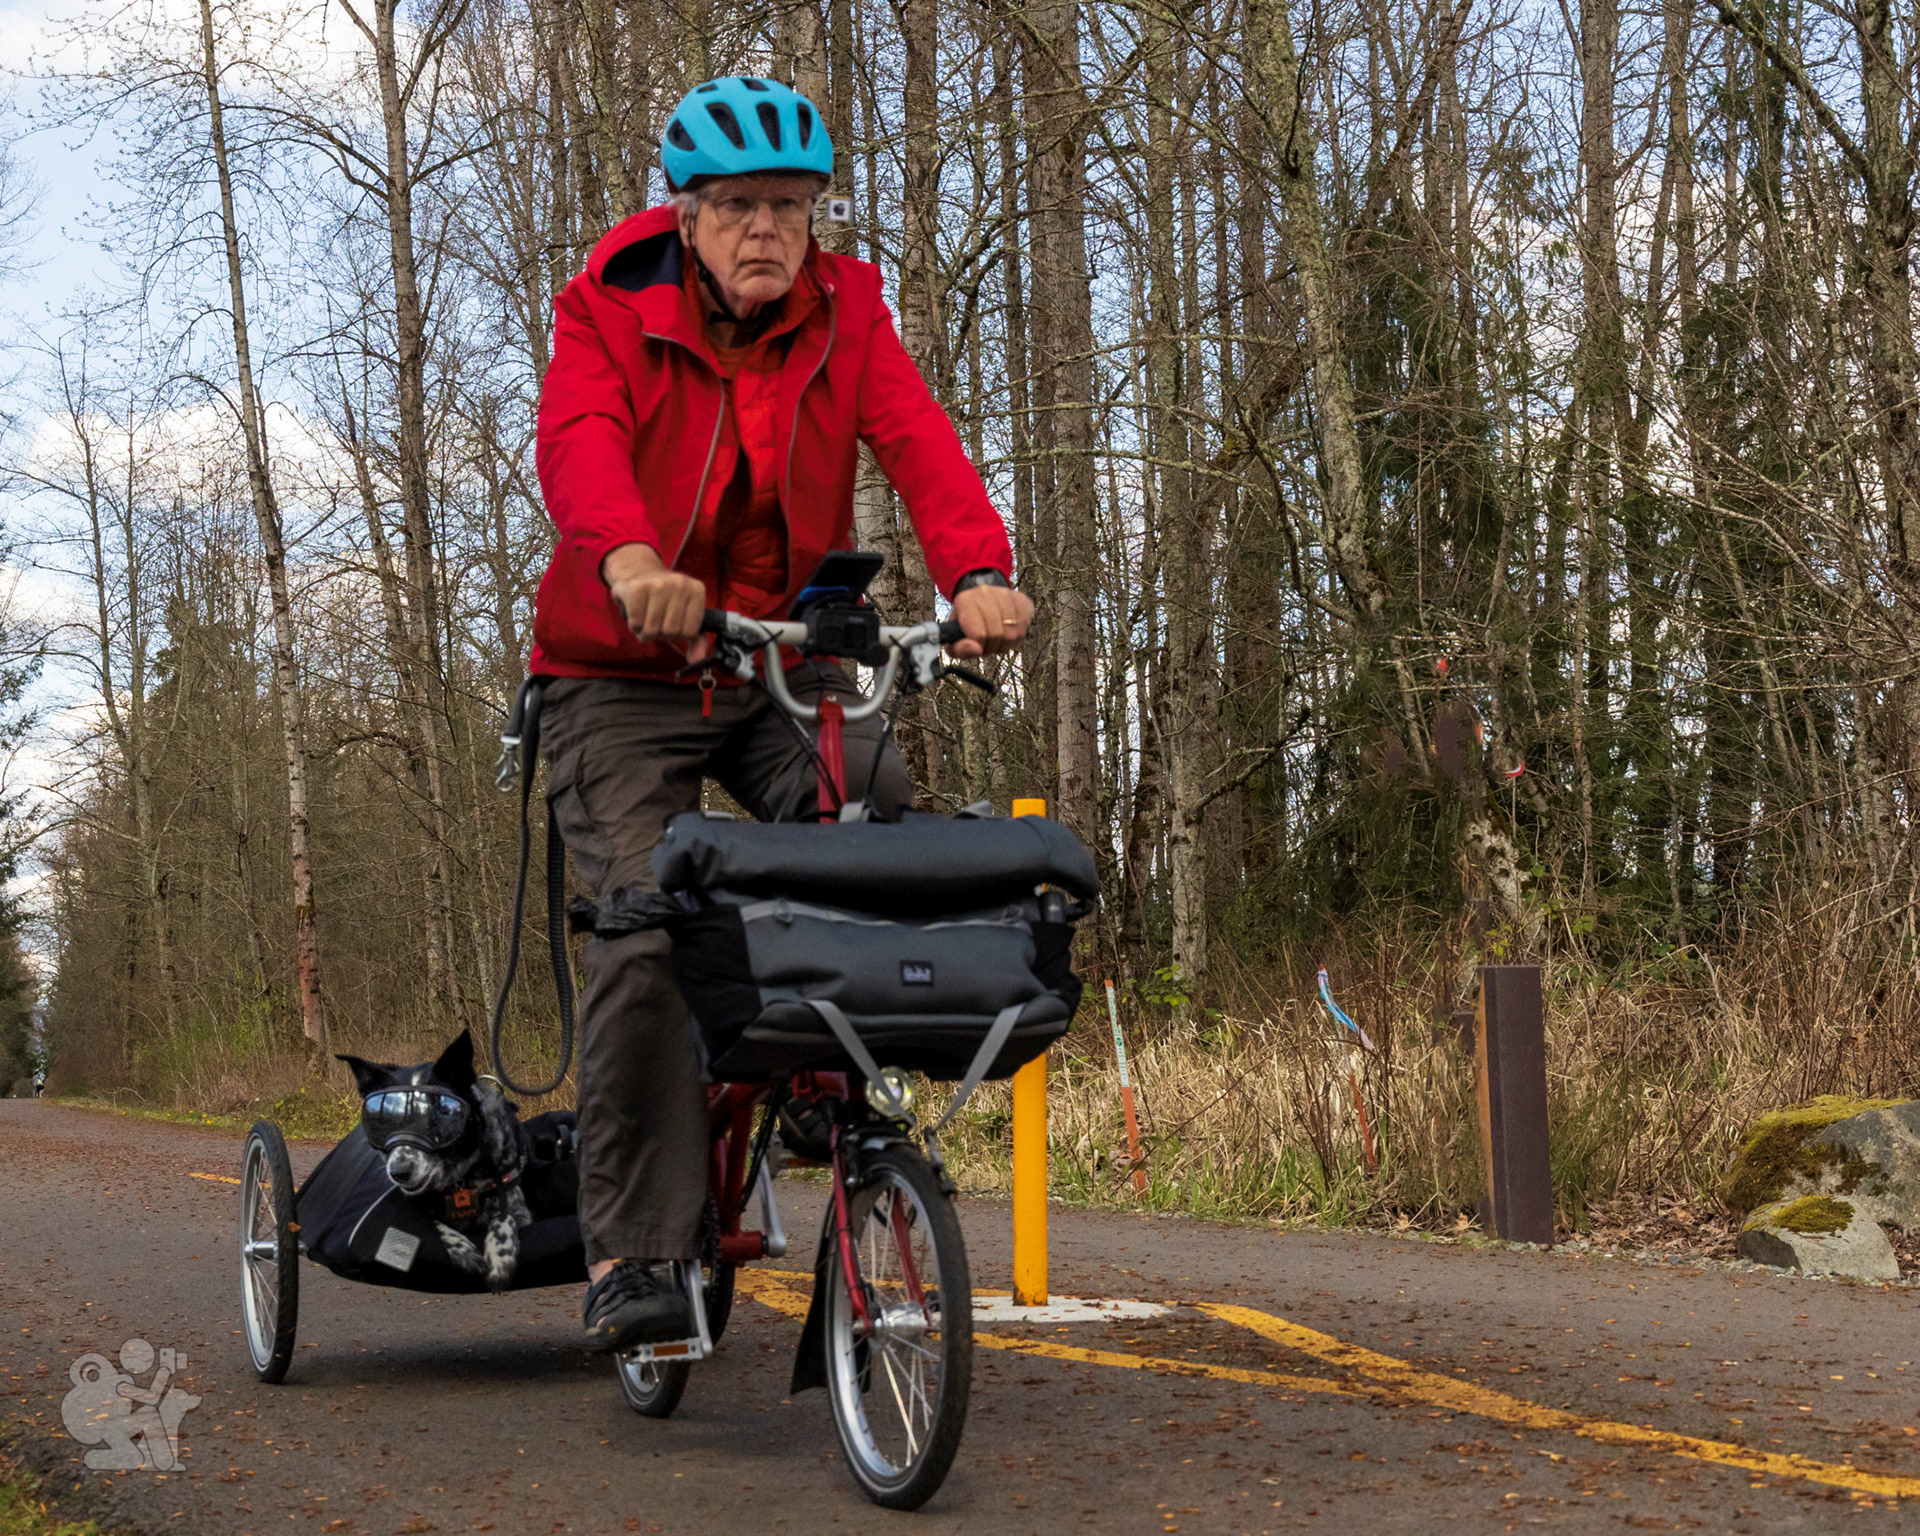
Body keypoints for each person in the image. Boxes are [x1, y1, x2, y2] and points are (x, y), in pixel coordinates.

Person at [529, 76, 1034, 1352]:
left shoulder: (846, 313)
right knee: (646, 923)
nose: (768, 231)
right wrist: (629, 564)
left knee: (874, 814)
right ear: (687, 218)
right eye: (741, 206)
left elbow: (917, 439)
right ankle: (635, 1250)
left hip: (777, 654)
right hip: (621, 667)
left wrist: (975, 567)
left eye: (791, 208)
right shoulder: (605, 308)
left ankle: (820, 1080)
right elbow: (580, 442)